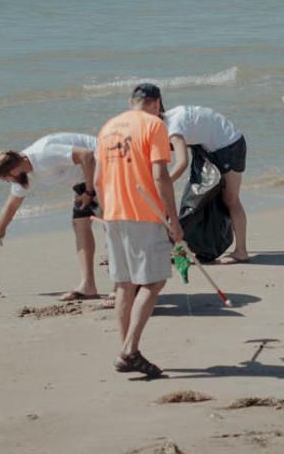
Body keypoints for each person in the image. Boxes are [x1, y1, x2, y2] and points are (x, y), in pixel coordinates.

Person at [96, 83, 184, 378]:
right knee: (154, 281)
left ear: (132, 101)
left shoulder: (108, 126)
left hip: (114, 213)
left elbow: (97, 179)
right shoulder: (154, 125)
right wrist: (173, 218)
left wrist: (106, 210)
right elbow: (161, 177)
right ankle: (129, 351)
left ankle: (126, 349)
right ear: (156, 103)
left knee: (124, 284)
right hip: (145, 214)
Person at [0, 132, 104, 302]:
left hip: (106, 165)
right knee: (80, 223)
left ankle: (125, 284)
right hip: (84, 178)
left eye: (5, 178)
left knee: (113, 225)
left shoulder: (43, 155)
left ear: (13, 170)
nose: (7, 182)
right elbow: (13, 204)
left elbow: (87, 155)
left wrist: (89, 191)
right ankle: (88, 286)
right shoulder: (25, 173)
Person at [164, 104, 249, 264]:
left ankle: (241, 252)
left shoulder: (174, 130)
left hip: (229, 146)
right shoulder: (168, 119)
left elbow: (181, 163)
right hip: (207, 149)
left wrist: (163, 183)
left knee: (230, 199)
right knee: (199, 199)